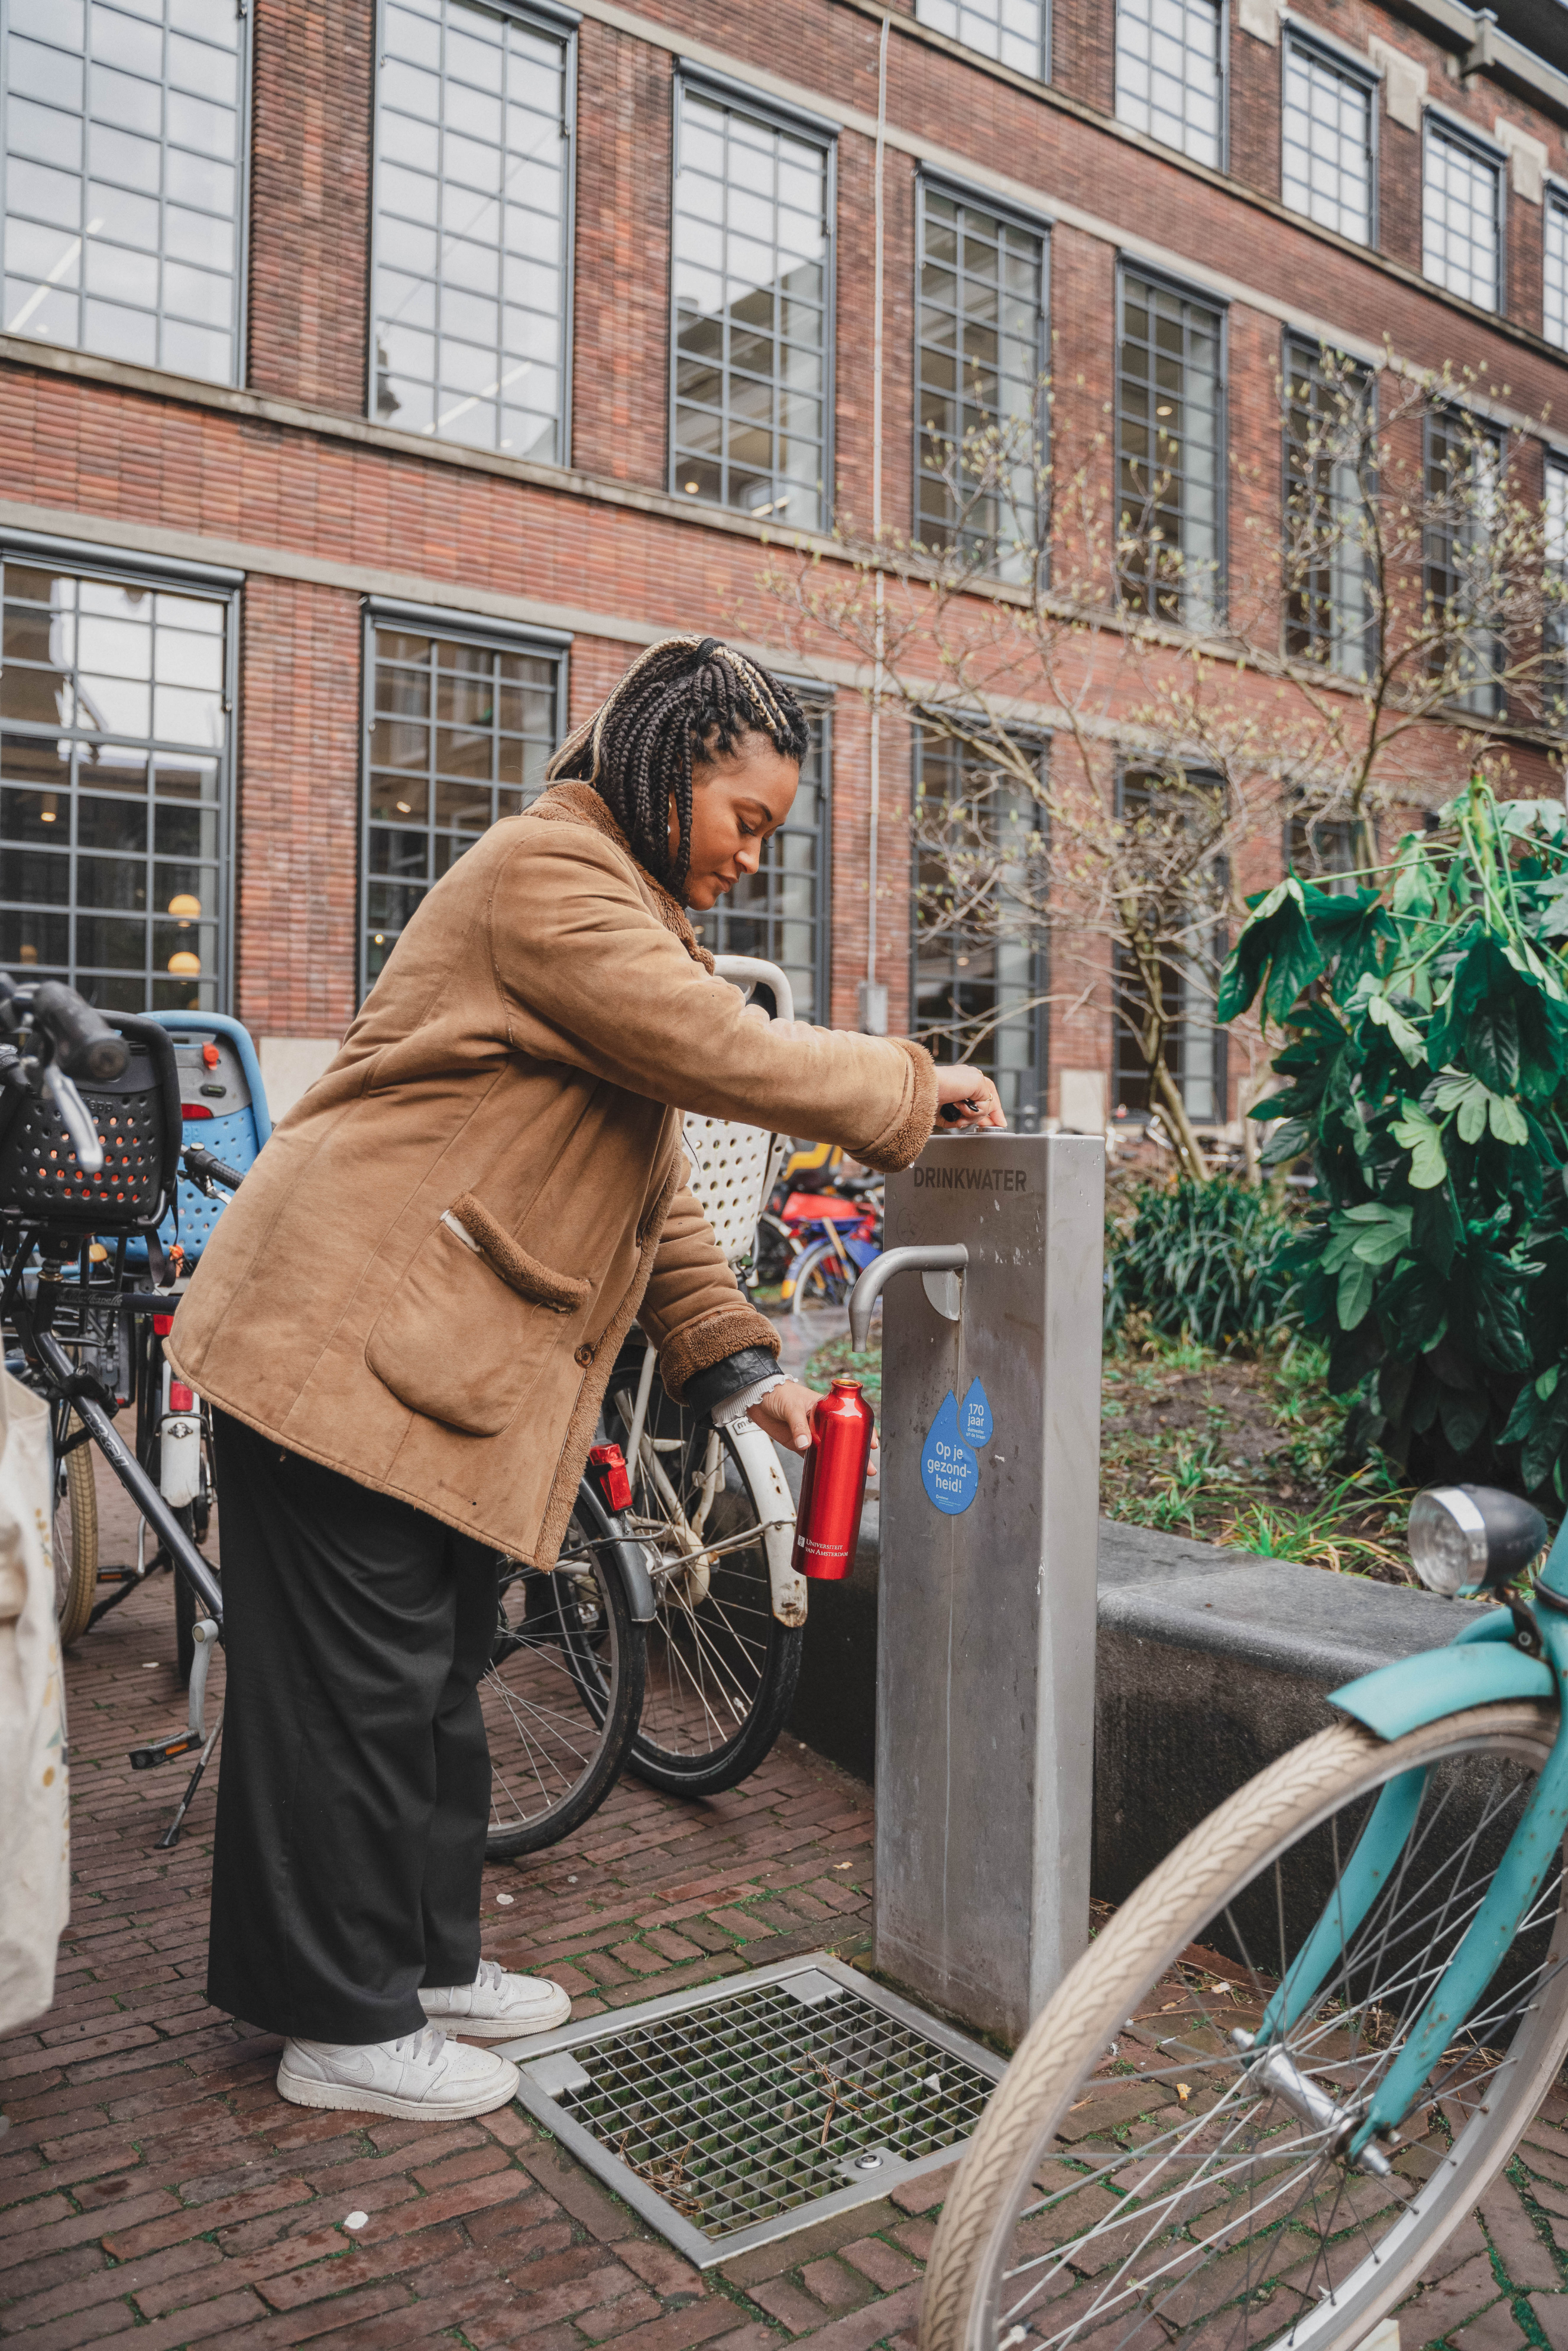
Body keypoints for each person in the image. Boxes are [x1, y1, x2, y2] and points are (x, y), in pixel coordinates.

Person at [167, 636, 1004, 2124]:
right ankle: (339, 2024)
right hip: (335, 1340)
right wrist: (902, 1085)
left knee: (433, 1682)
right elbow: (711, 1049)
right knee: (355, 1698)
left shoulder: (623, 915)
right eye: (747, 819)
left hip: (410, 1357)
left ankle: (419, 1963)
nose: (756, 854)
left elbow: (651, 1180)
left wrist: (742, 1368)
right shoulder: (545, 876)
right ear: (670, 765)